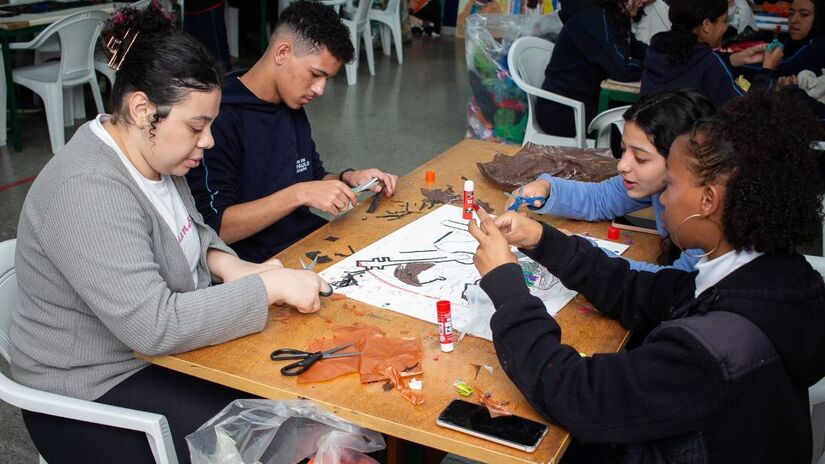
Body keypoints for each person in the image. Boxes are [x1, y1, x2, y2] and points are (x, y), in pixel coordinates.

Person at [9, 3, 329, 462]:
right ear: (142, 110)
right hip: (91, 392)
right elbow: (154, 326)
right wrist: (266, 285)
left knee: (303, 411)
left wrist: (229, 264)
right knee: (291, 438)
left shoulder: (155, 156)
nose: (209, 141)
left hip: (152, 362)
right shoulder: (87, 189)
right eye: (197, 126)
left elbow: (192, 230)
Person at [469, 89, 825, 463]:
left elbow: (577, 394)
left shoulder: (715, 348)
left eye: (669, 185)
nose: (663, 200)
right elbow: (639, 291)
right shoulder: (764, 274)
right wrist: (542, 239)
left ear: (709, 201)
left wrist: (507, 287)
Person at [186, 0, 399, 264]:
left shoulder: (290, 101)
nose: (320, 90)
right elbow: (215, 229)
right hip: (260, 265)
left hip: (307, 241)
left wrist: (348, 178)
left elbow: (312, 175)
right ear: (282, 52)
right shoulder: (220, 117)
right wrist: (299, 193)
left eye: (326, 80)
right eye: (315, 74)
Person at [506, 89, 715, 272]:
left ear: (680, 160)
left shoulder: (707, 228)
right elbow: (601, 198)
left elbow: (666, 286)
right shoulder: (653, 184)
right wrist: (547, 188)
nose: (622, 165)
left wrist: (573, 251)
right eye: (623, 150)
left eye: (640, 158)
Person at [536, 0, 648, 138]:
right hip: (564, 111)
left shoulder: (612, 17)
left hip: (584, 103)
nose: (644, 1)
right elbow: (622, 70)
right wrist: (656, 65)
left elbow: (634, 48)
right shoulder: (593, 19)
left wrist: (662, 52)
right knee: (637, 133)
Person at [641, 0, 783, 108]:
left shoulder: (656, 49)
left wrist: (733, 59)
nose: (727, 27)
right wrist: (768, 70)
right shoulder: (710, 64)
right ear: (707, 25)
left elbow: (690, 64)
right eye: (724, 21)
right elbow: (747, 108)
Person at [742, 0, 825, 78]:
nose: (793, 20)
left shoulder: (817, 45)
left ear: (818, 18)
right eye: (791, 13)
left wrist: (734, 62)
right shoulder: (789, 41)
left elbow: (780, 69)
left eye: (804, 15)